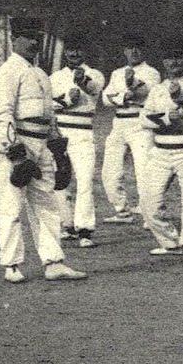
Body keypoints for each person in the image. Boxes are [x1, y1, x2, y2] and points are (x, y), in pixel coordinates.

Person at [0, 18, 85, 284]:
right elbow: (4, 115)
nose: (34, 42)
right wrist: (16, 154)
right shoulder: (7, 72)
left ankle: (54, 262)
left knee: (46, 204)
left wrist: (59, 152)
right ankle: (11, 265)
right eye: (28, 36)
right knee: (11, 204)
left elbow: (50, 116)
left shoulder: (41, 74)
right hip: (15, 142)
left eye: (37, 37)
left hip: (41, 144)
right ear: (14, 40)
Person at [139, 40, 183, 265]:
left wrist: (179, 96)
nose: (174, 62)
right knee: (148, 202)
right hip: (160, 152)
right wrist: (168, 118)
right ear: (163, 62)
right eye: (169, 58)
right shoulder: (157, 90)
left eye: (178, 57)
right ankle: (170, 242)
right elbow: (143, 119)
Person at [49, 35, 106, 248]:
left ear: (85, 52)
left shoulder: (95, 74)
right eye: (71, 50)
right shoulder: (55, 77)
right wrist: (66, 101)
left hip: (83, 134)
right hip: (60, 133)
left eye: (78, 50)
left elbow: (93, 90)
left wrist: (82, 80)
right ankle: (67, 224)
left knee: (84, 181)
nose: (74, 54)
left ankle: (85, 230)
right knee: (60, 181)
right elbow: (47, 105)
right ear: (65, 52)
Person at [101, 33, 160, 223]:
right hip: (119, 124)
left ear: (143, 50)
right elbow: (105, 98)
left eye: (137, 47)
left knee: (143, 171)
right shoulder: (117, 73)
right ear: (124, 51)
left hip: (140, 123)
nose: (134, 51)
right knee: (110, 171)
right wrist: (123, 97)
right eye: (129, 48)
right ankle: (122, 211)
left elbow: (147, 92)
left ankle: (149, 214)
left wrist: (131, 86)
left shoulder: (151, 72)